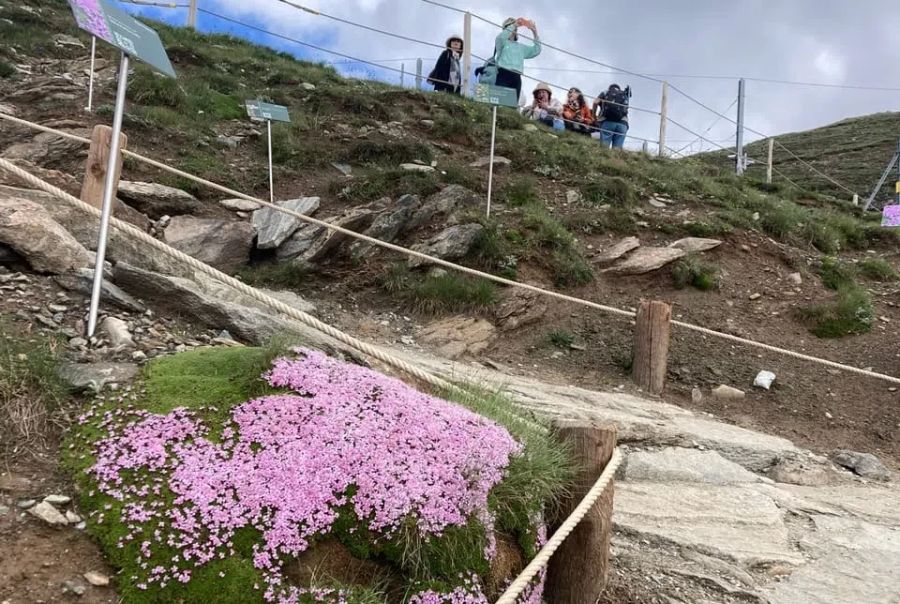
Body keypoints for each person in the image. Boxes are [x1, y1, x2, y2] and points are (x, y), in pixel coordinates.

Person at [476, 17, 541, 100]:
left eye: (514, 27)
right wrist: (515, 24)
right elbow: (500, 38)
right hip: (503, 73)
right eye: (508, 26)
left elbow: (536, 50)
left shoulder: (521, 47)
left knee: (511, 106)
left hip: (516, 76)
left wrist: (535, 32)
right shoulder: (502, 43)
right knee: (498, 102)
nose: (512, 28)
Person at [592, 84, 631, 149]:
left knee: (604, 148)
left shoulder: (605, 92)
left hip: (607, 121)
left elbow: (595, 102)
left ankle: (604, 157)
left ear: (609, 88)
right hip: (623, 124)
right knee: (617, 149)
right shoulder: (624, 94)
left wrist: (594, 116)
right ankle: (616, 158)